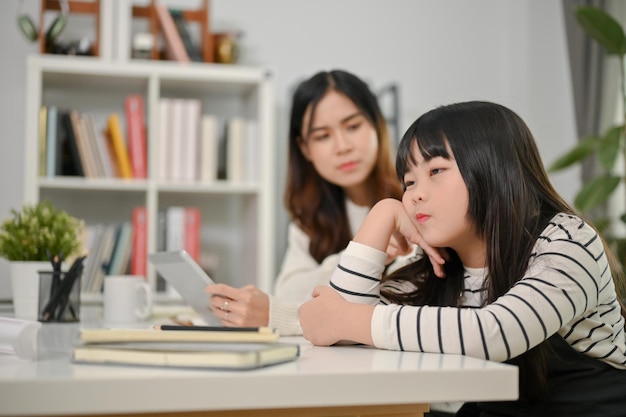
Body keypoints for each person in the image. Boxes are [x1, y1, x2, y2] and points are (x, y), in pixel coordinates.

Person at [299, 101, 626, 416]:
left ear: (494, 168)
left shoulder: (567, 240)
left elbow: (496, 332)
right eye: (409, 181)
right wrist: (381, 215)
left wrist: (348, 320)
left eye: (436, 170)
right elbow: (337, 330)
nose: (415, 194)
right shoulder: (441, 265)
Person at [205, 69, 406, 335]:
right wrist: (367, 253)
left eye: (353, 126)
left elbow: (401, 303)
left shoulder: (412, 202)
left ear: (377, 126)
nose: (342, 146)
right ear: (305, 148)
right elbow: (288, 293)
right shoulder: (309, 216)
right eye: (323, 136)